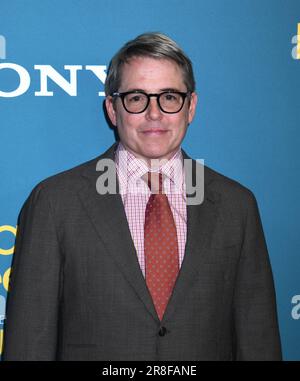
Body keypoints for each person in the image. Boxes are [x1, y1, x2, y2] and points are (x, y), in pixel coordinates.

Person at [2, 32, 282, 361]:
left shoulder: (237, 206)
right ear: (112, 109)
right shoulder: (54, 202)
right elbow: (29, 345)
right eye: (137, 98)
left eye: (169, 97)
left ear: (190, 106)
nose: (154, 113)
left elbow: (258, 340)